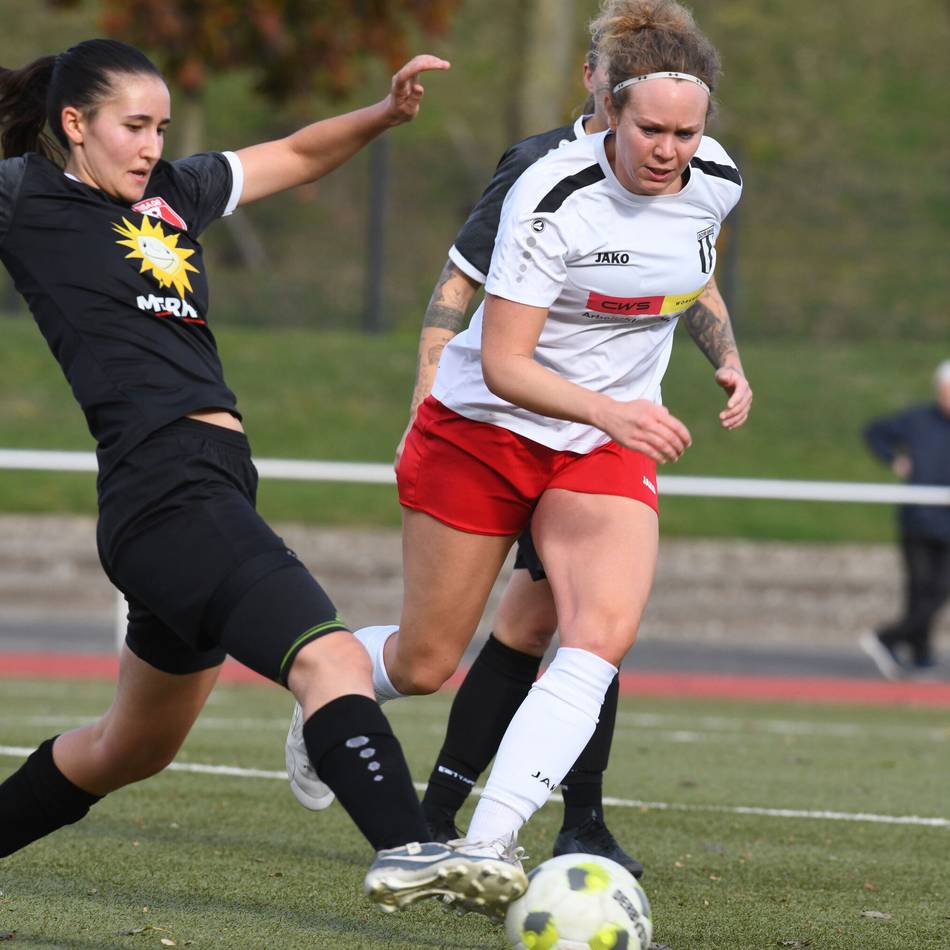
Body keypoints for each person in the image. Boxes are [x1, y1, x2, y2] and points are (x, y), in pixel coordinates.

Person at [0, 38, 530, 919]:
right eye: (132, 126)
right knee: (328, 657)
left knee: (127, 749)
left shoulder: (171, 194)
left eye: (160, 127)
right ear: (73, 124)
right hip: (165, 491)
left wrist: (383, 113)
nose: (149, 145)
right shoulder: (26, 197)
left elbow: (294, 153)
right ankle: (407, 847)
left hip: (201, 491)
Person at [290, 0, 751, 866]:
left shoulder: (717, 178)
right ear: (607, 110)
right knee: (427, 660)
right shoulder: (547, 190)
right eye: (651, 129)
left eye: (687, 133)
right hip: (487, 428)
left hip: (603, 442)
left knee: (598, 632)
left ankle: (487, 848)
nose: (669, 151)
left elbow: (691, 266)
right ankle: (329, 684)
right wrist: (605, 407)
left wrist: (727, 356)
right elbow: (503, 362)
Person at [860, 361, 950, 680]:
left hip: (948, 523)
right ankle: (918, 654)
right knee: (919, 589)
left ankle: (891, 640)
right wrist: (894, 459)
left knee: (938, 590)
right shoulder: (917, 421)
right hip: (918, 518)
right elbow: (874, 432)